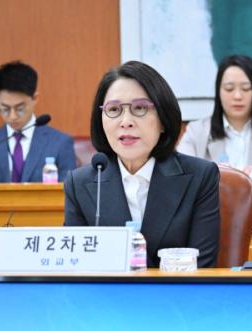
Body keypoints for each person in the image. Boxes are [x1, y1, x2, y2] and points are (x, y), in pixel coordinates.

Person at [64, 60, 220, 268]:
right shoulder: (80, 184)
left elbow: (202, 268)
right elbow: (75, 267)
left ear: (163, 120)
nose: (126, 121)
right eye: (114, 109)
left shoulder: (200, 177)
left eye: (140, 108)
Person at [177, 55, 252, 180]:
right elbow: (181, 175)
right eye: (229, 89)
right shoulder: (196, 131)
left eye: (246, 88)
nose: (238, 96)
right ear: (218, 92)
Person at [0, 61, 76, 183]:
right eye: (5, 109)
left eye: (20, 109)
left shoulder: (60, 143)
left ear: (35, 98)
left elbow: (69, 191)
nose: (12, 116)